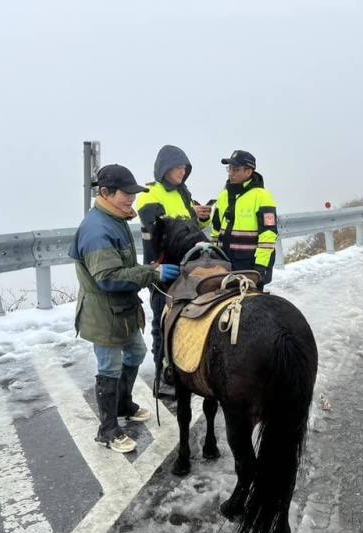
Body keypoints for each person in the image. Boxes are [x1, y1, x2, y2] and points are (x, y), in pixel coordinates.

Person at [69, 164, 181, 453]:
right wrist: (152, 273)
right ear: (105, 192)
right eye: (126, 193)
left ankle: (123, 404)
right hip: (104, 313)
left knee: (136, 352)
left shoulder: (115, 218)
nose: (132, 199)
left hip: (123, 309)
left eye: (133, 193)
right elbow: (108, 277)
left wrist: (149, 270)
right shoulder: (97, 229)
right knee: (109, 367)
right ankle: (107, 430)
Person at [137, 145, 211, 395]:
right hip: (163, 269)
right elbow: (161, 228)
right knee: (162, 321)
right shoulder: (149, 194)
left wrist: (200, 219)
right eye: (177, 167)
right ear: (164, 168)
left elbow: (191, 227)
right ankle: (161, 374)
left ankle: (183, 367)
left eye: (184, 168)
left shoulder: (183, 194)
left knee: (188, 319)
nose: (182, 172)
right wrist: (190, 229)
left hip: (188, 268)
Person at [211, 150, 278, 290]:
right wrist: (213, 255)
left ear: (248, 171)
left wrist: (260, 266)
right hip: (226, 264)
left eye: (236, 169)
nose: (231, 173)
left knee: (251, 302)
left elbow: (268, 235)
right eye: (229, 168)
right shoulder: (223, 196)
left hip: (251, 265)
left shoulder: (262, 196)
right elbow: (216, 229)